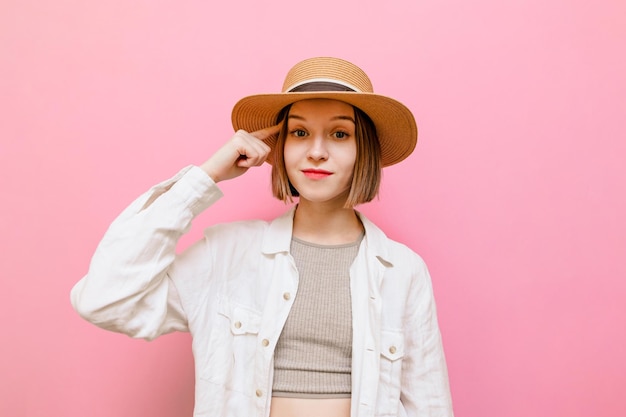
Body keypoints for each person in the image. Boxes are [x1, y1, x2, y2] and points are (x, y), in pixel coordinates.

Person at [71, 57, 454, 417]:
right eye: (299, 132)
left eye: (339, 133)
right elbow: (104, 300)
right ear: (280, 147)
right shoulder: (227, 255)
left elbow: (430, 403)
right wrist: (205, 177)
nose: (316, 152)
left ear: (363, 150)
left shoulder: (404, 270)